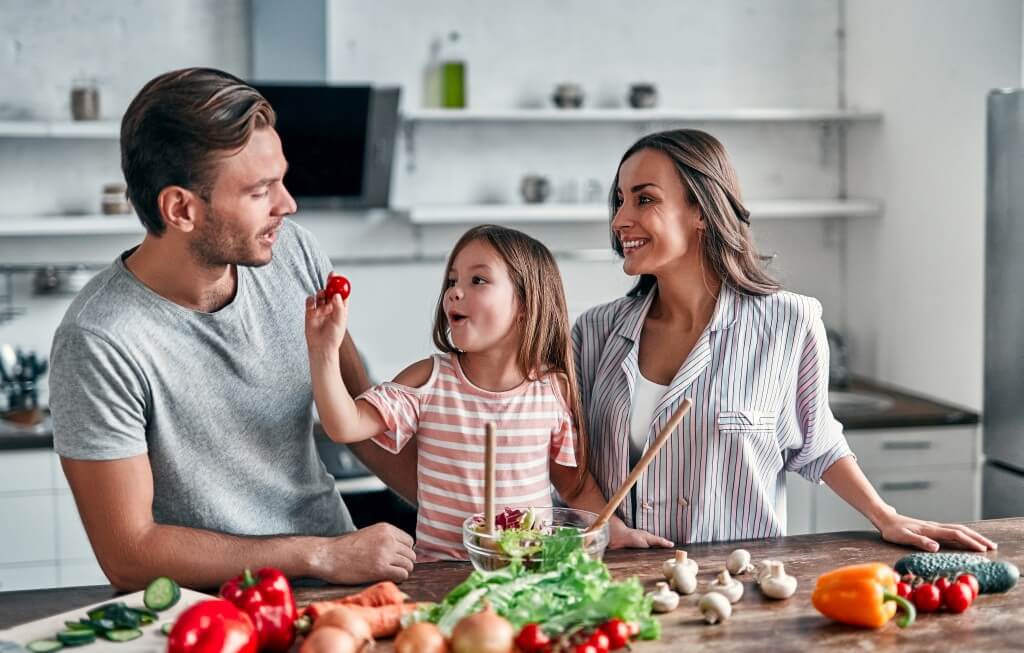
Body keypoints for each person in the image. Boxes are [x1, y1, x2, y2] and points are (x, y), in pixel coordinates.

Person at [49, 67, 419, 591]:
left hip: (342, 582)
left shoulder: (295, 254)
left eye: (282, 180)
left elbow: (363, 416)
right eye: (260, 190)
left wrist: (470, 512)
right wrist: (318, 554)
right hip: (214, 610)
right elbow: (128, 553)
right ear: (180, 209)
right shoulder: (99, 340)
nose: (286, 205)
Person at [572, 129, 997, 552]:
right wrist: (606, 531)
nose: (619, 220)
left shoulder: (790, 321)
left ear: (701, 210)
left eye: (644, 199)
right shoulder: (594, 332)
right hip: (619, 586)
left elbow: (820, 443)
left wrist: (885, 516)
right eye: (620, 200)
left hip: (734, 585)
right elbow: (566, 456)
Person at [304, 225, 672, 561]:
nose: (454, 292)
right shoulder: (429, 379)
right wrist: (324, 350)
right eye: (452, 280)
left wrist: (614, 530)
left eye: (478, 280)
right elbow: (344, 426)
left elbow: (574, 487)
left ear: (526, 306)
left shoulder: (553, 389)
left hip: (529, 571)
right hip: (442, 575)